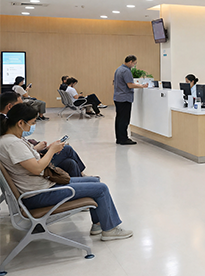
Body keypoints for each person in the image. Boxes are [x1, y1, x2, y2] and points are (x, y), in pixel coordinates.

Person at [0, 103, 132, 240]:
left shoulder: (11, 140)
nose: (33, 126)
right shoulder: (12, 143)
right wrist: (52, 151)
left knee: (95, 181)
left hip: (40, 188)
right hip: (38, 194)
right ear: (20, 123)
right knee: (101, 188)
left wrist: (49, 150)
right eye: (32, 123)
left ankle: (98, 224)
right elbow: (37, 168)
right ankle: (110, 229)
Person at [1, 91, 88, 177]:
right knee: (67, 149)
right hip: (37, 170)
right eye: (20, 105)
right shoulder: (11, 139)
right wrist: (51, 150)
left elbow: (22, 151)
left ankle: (81, 178)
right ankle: (82, 177)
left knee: (70, 163)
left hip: (34, 160)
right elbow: (36, 167)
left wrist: (38, 149)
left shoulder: (10, 129)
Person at [113, 55, 148, 145]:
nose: (134, 65)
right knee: (124, 120)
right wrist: (141, 86)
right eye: (134, 63)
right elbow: (130, 85)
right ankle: (124, 139)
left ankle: (119, 138)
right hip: (124, 98)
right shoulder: (126, 71)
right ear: (130, 62)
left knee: (119, 119)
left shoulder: (119, 69)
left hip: (118, 97)